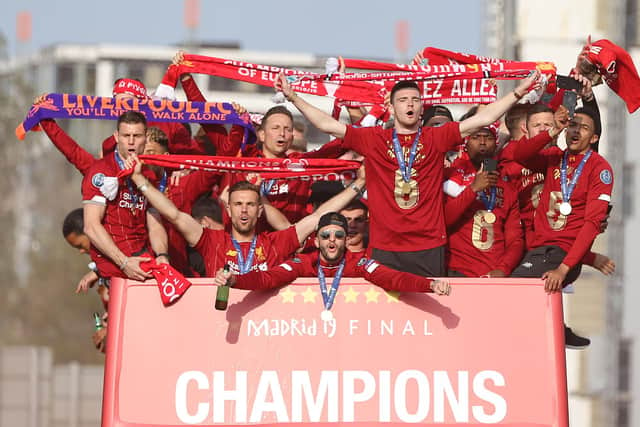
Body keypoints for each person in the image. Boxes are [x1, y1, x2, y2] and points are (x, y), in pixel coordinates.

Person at [276, 70, 541, 276]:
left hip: (427, 245)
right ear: (391, 108)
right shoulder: (374, 138)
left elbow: (481, 120)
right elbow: (328, 125)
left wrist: (517, 92)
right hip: (385, 246)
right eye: (403, 100)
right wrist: (293, 97)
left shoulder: (435, 136)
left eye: (415, 100)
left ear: (421, 106)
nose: (409, 105)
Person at [128, 155, 366, 276]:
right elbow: (174, 215)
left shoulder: (274, 243)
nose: (244, 210)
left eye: (251, 205)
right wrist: (140, 181)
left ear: (260, 209)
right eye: (238, 204)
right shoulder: (212, 241)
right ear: (228, 209)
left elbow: (318, 218)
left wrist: (360, 183)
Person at [509, 107, 613, 348]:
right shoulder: (555, 157)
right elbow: (520, 155)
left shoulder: (600, 168)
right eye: (573, 125)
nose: (576, 131)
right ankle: (547, 338)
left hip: (560, 256)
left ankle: (547, 338)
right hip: (538, 250)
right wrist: (552, 130)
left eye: (584, 128)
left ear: (594, 138)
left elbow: (592, 224)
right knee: (521, 301)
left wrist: (564, 269)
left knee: (512, 291)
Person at [213, 212, 451, 309]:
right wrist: (236, 279)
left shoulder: (358, 262)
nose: (332, 241)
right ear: (316, 240)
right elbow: (268, 277)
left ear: (346, 240)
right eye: (325, 236)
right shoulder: (305, 262)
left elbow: (392, 278)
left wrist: (428, 284)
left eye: (338, 236)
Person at [82, 111, 169, 282]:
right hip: (115, 267)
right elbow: (91, 226)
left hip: (143, 262)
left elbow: (155, 222)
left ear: (145, 137)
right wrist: (124, 262)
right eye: (125, 135)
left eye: (136, 136)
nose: (130, 142)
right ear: (116, 137)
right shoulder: (101, 171)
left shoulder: (150, 173)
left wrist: (162, 255)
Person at [443, 125, 524, 277]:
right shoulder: (449, 178)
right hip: (456, 272)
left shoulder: (507, 188)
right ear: (465, 143)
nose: (482, 142)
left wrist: (503, 269)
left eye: (488, 138)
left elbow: (515, 240)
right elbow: (443, 222)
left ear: (496, 144)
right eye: (476, 137)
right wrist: (472, 189)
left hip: (493, 276)